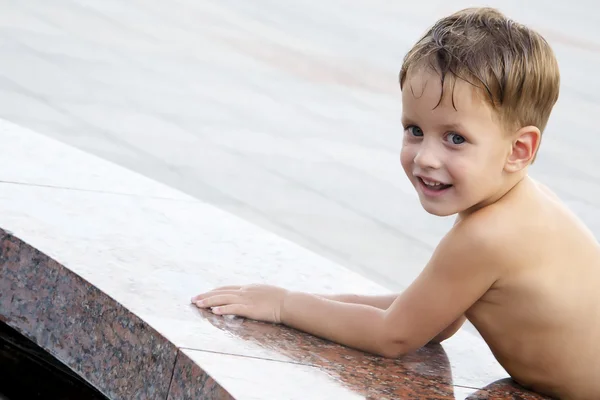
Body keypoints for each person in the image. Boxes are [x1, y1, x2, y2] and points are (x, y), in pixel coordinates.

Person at [192, 7, 600, 399]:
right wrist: (311, 301)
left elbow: (394, 334)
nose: (426, 157)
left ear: (518, 149)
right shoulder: (523, 205)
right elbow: (431, 317)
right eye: (415, 130)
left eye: (455, 138)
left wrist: (284, 305)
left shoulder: (489, 236)